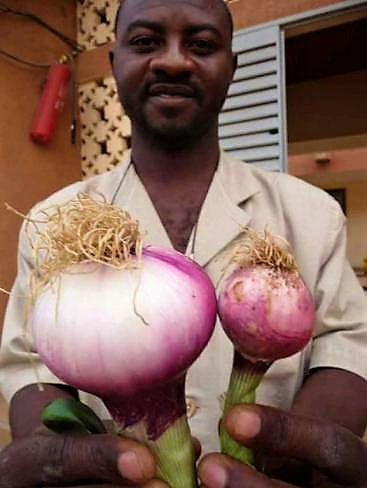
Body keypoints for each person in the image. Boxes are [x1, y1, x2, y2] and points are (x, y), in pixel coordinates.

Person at [0, 0, 366, 486]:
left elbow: (347, 344)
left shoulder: (311, 212)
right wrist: (65, 461)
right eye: (146, 42)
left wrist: (300, 456)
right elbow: (31, 365)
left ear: (231, 67)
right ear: (114, 63)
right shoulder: (52, 221)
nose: (173, 61)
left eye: (201, 44)